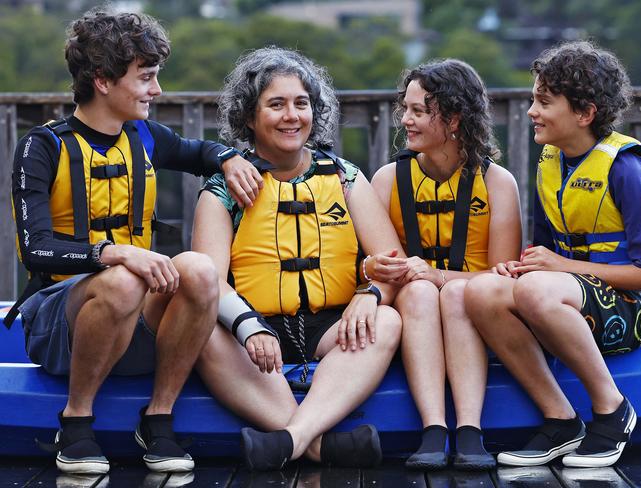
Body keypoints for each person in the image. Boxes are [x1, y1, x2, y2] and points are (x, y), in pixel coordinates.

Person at [7, 8, 251, 475]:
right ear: (102, 80)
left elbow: (199, 151)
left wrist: (228, 159)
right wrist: (113, 252)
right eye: (146, 78)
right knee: (121, 281)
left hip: (134, 320)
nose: (156, 90)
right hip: (57, 323)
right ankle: (75, 424)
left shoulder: (144, 136)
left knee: (198, 269)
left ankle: (158, 419)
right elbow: (35, 248)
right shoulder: (42, 147)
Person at [191, 46, 403, 471]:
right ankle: (321, 447)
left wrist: (371, 294)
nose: (292, 116)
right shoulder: (221, 190)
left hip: (331, 328)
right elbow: (208, 281)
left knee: (388, 320)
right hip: (251, 332)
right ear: (249, 118)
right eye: (276, 105)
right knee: (202, 331)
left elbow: (391, 262)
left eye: (301, 103)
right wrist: (249, 327)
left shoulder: (345, 178)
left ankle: (290, 440)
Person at [465, 40, 641, 468]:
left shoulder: (627, 168)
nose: (532, 111)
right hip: (568, 294)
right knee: (481, 292)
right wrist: (526, 265)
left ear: (584, 113)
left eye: (544, 102)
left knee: (536, 293)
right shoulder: (550, 160)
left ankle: (612, 409)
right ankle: (561, 419)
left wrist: (561, 268)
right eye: (533, 99)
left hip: (632, 310)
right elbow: (548, 250)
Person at [368, 59, 522, 470]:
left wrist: (441, 275)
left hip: (468, 306)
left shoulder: (497, 183)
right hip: (412, 304)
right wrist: (377, 269)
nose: (406, 120)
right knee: (419, 291)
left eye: (419, 111)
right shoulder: (387, 179)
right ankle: (433, 429)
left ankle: (469, 431)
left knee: (455, 292)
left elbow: (503, 279)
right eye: (406, 109)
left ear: (453, 118)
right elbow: (366, 262)